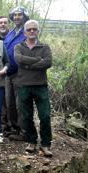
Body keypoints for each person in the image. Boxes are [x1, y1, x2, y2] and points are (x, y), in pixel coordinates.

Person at [14, 20, 53, 157]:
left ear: (38, 31)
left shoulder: (45, 47)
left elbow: (48, 62)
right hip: (24, 86)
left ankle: (46, 144)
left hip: (40, 86)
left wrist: (28, 64)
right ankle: (31, 141)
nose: (31, 31)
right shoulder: (19, 46)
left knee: (45, 116)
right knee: (26, 116)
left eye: (34, 29)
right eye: (29, 29)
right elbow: (18, 59)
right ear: (24, 32)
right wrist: (38, 61)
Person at [3, 6, 29, 140]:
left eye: (20, 14)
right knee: (10, 102)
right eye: (15, 15)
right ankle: (15, 129)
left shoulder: (27, 31)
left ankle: (25, 132)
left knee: (21, 104)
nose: (17, 17)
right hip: (8, 73)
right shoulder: (11, 32)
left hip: (21, 73)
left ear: (25, 16)